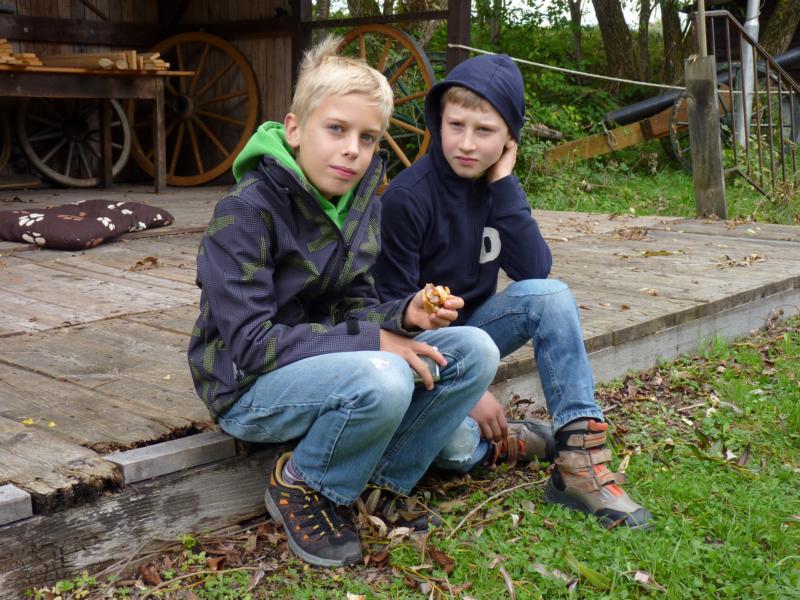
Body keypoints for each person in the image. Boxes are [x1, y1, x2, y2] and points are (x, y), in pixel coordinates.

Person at [186, 37, 500, 568]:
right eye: (336, 129)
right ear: (294, 129)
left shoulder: (360, 209)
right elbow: (252, 347)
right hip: (246, 388)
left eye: (368, 137)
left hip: (332, 368)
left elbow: (353, 307)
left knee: (474, 349)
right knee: (385, 374)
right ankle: (305, 483)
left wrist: (404, 314)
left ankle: (383, 482)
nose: (353, 149)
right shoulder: (244, 213)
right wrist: (375, 340)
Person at [372, 53, 652, 529]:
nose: (466, 143)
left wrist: (503, 183)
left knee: (551, 296)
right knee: (457, 445)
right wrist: (466, 390)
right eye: (455, 125)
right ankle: (506, 442)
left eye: (485, 131)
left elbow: (534, 270)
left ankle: (579, 461)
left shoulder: (496, 189)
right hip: (421, 355)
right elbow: (391, 319)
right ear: (438, 123)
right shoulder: (407, 199)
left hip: (479, 331)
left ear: (509, 140)